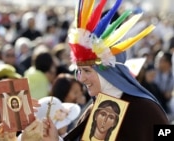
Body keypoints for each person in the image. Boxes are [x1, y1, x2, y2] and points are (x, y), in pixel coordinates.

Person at [43, 0, 169, 141]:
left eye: (87, 71)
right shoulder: (95, 108)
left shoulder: (145, 109)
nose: (80, 78)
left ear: (109, 73)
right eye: (79, 71)